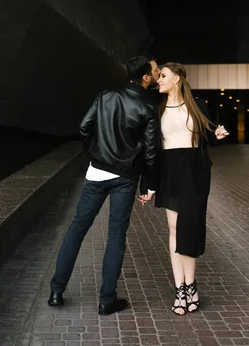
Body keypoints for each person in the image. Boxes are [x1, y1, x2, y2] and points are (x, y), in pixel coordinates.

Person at [48, 54, 162, 315]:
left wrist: (95, 156)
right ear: (145, 77)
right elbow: (152, 152)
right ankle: (106, 300)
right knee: (115, 236)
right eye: (155, 71)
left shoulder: (105, 95)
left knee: (77, 228)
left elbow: (84, 127)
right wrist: (149, 184)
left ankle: (56, 291)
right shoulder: (147, 106)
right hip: (125, 178)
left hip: (96, 173)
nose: (157, 74)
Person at [138, 62, 229, 316]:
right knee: (174, 228)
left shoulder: (198, 106)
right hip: (170, 171)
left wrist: (218, 136)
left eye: (163, 76)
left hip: (195, 171)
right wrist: (148, 185)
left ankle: (191, 284)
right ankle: (180, 288)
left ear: (177, 79)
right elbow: (151, 151)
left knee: (190, 227)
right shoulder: (157, 109)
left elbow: (208, 137)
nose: (159, 80)